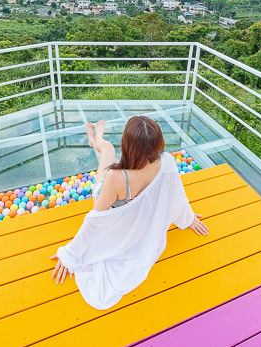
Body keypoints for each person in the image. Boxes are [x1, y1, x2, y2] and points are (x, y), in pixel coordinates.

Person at [50, 116, 209, 309]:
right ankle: (96, 140)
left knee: (107, 152)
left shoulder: (115, 178)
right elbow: (176, 193)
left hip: (110, 196)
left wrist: (70, 255)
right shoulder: (166, 162)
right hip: (125, 194)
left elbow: (95, 221)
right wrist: (188, 218)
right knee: (108, 160)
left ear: (127, 145)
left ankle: (95, 140)